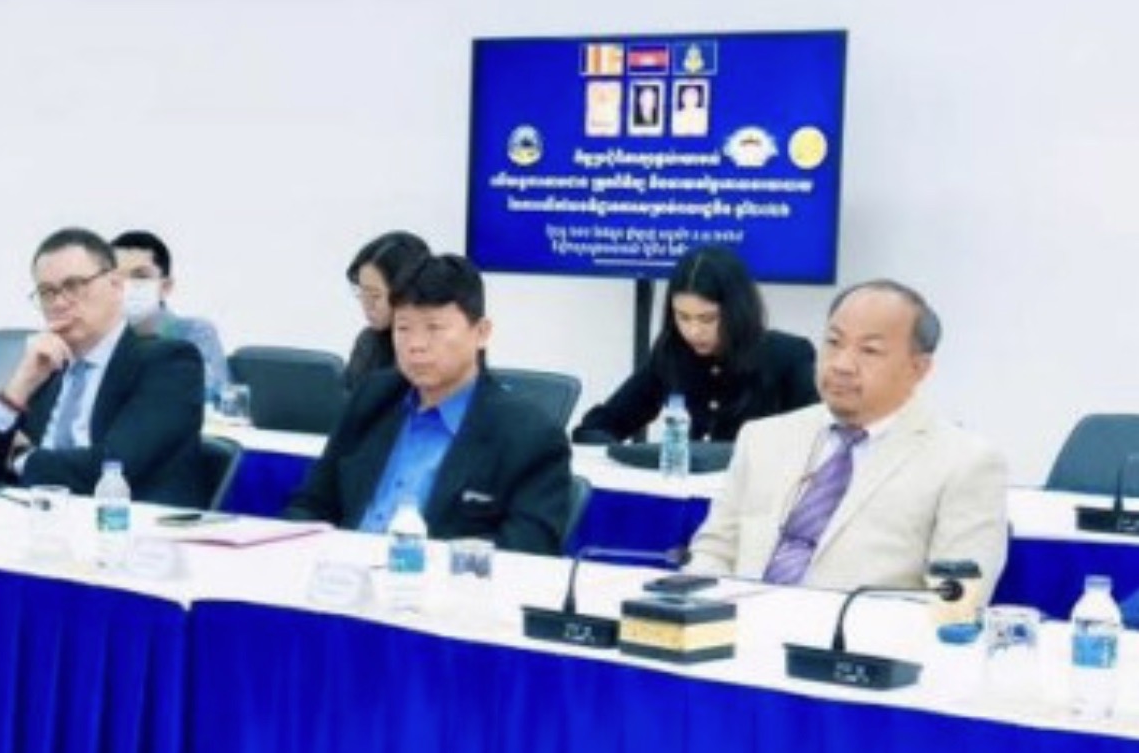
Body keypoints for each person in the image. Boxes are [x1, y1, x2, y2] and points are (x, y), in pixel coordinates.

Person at [687, 279, 1009, 592]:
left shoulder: (964, 463)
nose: (841, 364)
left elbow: (957, 598)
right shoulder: (763, 438)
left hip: (860, 628)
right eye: (833, 342)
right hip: (739, 622)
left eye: (869, 350)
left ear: (918, 368)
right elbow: (714, 551)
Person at [286, 254, 572, 552]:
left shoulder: (529, 434)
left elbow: (527, 551)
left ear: (481, 333)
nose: (416, 345)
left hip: (442, 579)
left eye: (434, 328)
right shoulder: (372, 398)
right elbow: (311, 504)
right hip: (344, 572)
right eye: (403, 328)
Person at [0, 227, 208, 506]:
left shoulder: (169, 362)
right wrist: (19, 385)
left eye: (74, 286)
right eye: (47, 292)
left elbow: (113, 470)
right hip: (36, 521)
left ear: (116, 285)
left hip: (124, 525)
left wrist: (23, 459)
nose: (59, 303)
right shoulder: (45, 369)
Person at [572, 246, 817, 444]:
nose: (693, 331)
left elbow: (820, 444)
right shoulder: (672, 351)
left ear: (737, 311)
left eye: (707, 319)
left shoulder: (789, 357)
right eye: (683, 317)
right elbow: (601, 426)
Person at [110, 229, 230, 399]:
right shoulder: (93, 336)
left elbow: (213, 391)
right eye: (117, 278)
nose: (126, 286)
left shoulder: (194, 332)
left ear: (165, 287)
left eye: (140, 277)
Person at [342, 230, 431, 388]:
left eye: (375, 295)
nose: (366, 304)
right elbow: (349, 398)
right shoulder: (369, 342)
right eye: (362, 292)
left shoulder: (435, 348)